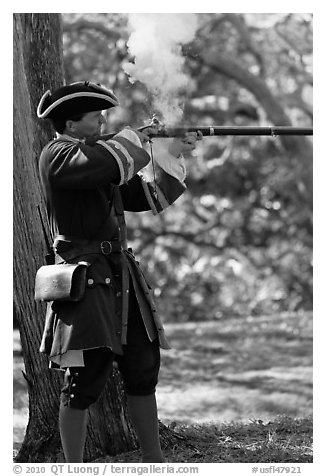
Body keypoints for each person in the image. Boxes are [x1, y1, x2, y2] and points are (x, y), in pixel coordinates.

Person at [36, 81, 201, 463]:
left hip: (120, 275)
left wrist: (169, 150)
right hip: (85, 280)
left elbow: (149, 196)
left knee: (143, 368)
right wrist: (139, 138)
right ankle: (73, 468)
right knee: (83, 381)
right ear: (72, 124)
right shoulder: (58, 154)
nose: (101, 121)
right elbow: (108, 161)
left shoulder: (98, 158)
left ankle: (154, 461)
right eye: (95, 117)